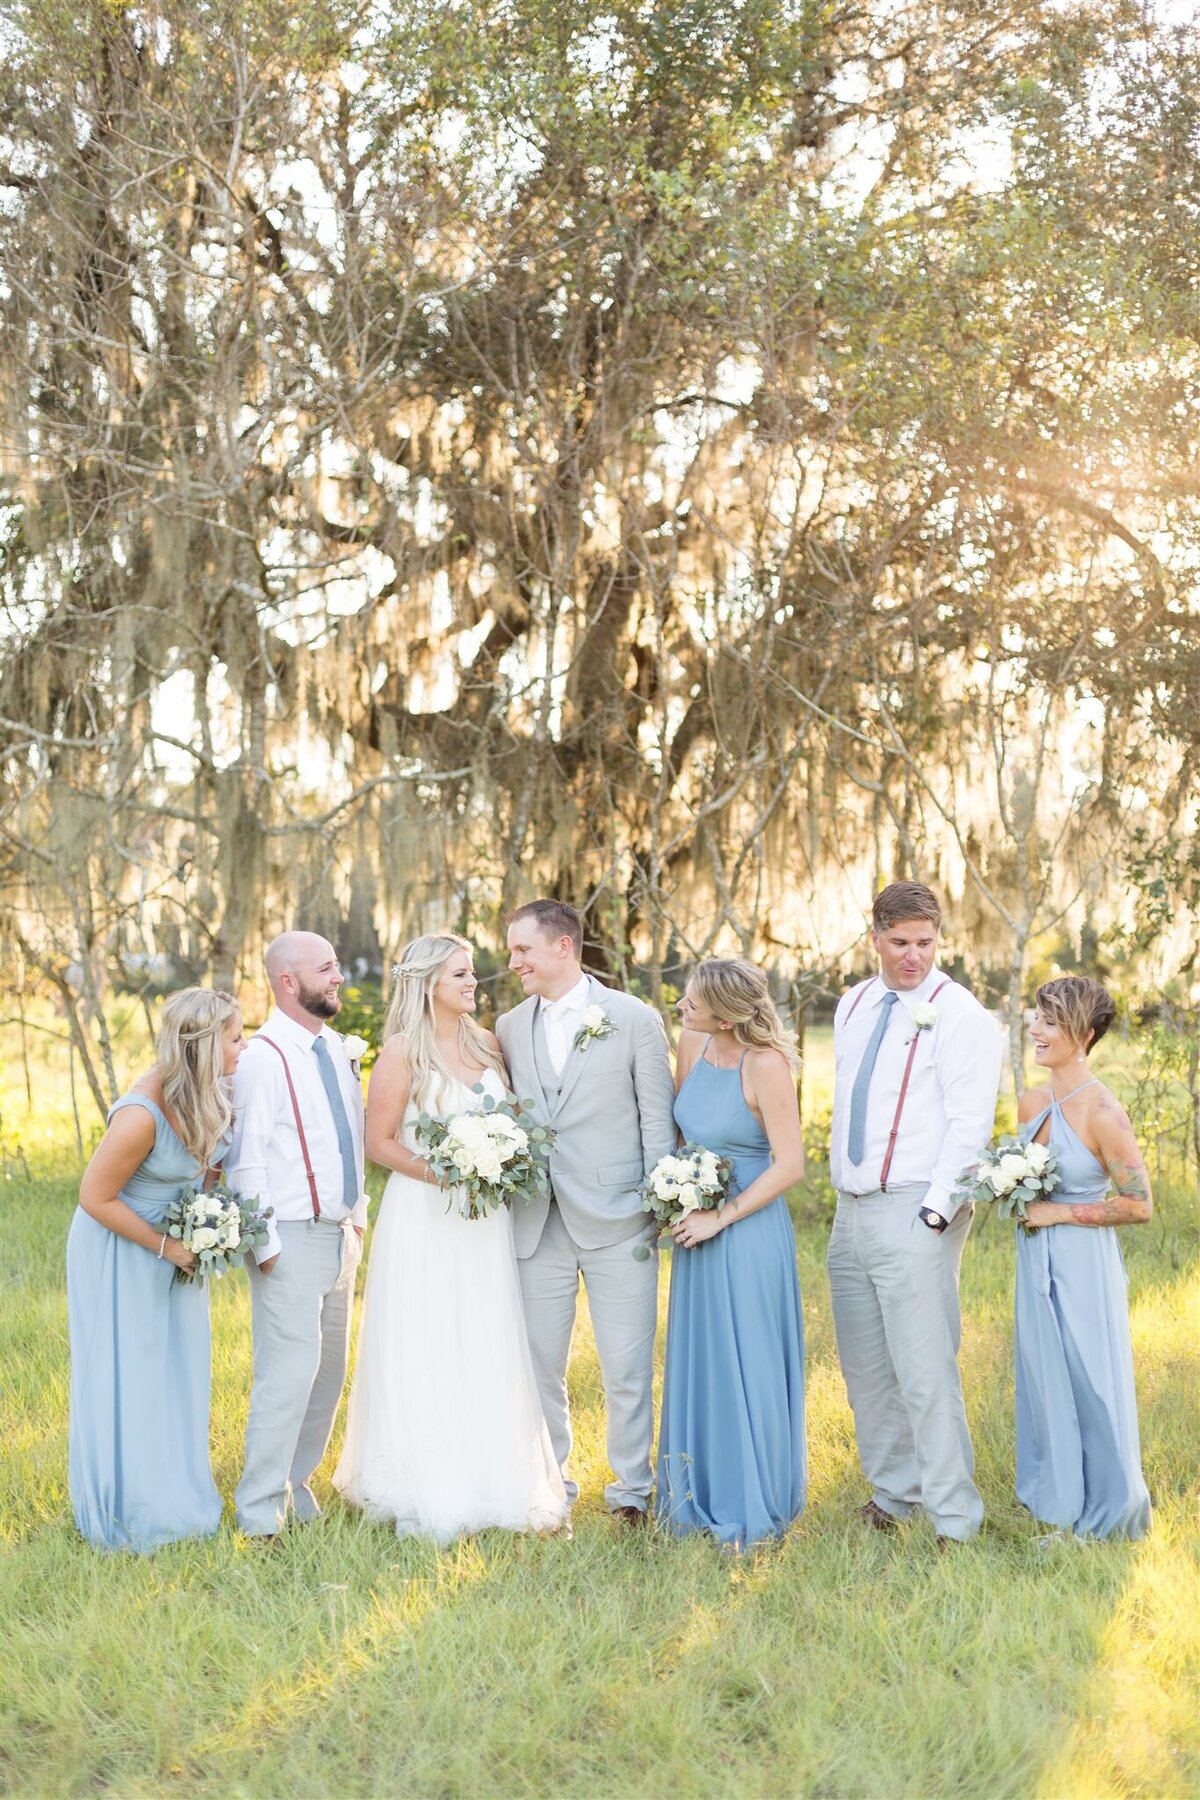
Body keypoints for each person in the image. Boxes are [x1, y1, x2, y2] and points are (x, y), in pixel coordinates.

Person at [333, 934, 567, 1540]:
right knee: (428, 1338)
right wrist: (450, 1171)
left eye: (472, 974)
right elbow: (379, 1143)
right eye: (461, 974)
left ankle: (494, 1476)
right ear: (428, 983)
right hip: (425, 1216)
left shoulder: (488, 1044)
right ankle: (419, 1479)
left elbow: (512, 1122)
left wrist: (500, 1159)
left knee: (486, 1335)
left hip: (484, 1220)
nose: (474, 983)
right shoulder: (401, 1052)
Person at [827, 881, 1003, 1544]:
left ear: (938, 939)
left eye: (925, 943)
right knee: (866, 1367)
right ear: (874, 938)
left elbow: (969, 1127)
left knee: (926, 1372)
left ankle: (956, 1518)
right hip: (851, 1208)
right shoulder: (854, 1003)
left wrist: (934, 1215)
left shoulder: (960, 1016)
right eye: (899, 942)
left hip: (917, 1206)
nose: (912, 956)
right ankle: (893, 1494)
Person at [497, 900, 676, 1525]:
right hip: (537, 1222)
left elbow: (657, 1118)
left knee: (626, 1365)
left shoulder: (631, 1019)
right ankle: (553, 1488)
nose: (513, 961)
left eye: (523, 949)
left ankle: (632, 1491)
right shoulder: (510, 1026)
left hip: (619, 1216)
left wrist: (658, 1207)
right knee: (541, 1364)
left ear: (564, 946)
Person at [67, 987, 244, 1551]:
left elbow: (208, 1172)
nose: (243, 1048)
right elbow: (95, 1197)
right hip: (122, 1246)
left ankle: (176, 1492)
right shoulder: (141, 1114)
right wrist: (167, 1247)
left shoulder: (214, 1093)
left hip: (178, 1244)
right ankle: (127, 1505)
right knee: (131, 1370)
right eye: (235, 1039)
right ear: (204, 1045)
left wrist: (209, 1224)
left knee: (179, 1367)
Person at [657, 960, 807, 1549]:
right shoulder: (693, 1045)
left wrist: (720, 1216)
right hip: (695, 1225)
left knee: (748, 1359)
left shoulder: (765, 1065)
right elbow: (683, 1135)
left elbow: (790, 1164)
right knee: (704, 1356)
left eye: (692, 1004)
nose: (682, 1011)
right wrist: (675, 1194)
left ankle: (753, 1498)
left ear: (725, 1012)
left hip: (745, 1231)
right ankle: (695, 1494)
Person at [226, 931, 367, 1539]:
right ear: (289, 982)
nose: (338, 977)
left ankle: (297, 1487)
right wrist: (267, 1245)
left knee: (328, 1372)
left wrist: (357, 1211)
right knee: (286, 1376)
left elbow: (349, 1136)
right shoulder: (263, 1056)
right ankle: (260, 1516)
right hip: (288, 1236)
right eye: (326, 968)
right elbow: (245, 1159)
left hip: (340, 1233)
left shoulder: (334, 1047)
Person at [1015, 976, 1152, 1540]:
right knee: (1046, 1382)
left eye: (1050, 1022)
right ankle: (1061, 1507)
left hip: (1083, 1262)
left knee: (1094, 1383)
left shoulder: (1104, 1112)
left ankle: (1112, 1511)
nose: (1036, 1029)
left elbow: (1139, 1206)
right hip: (1034, 1262)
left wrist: (1060, 1215)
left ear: (1084, 1034)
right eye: (1037, 1017)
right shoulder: (1030, 1100)